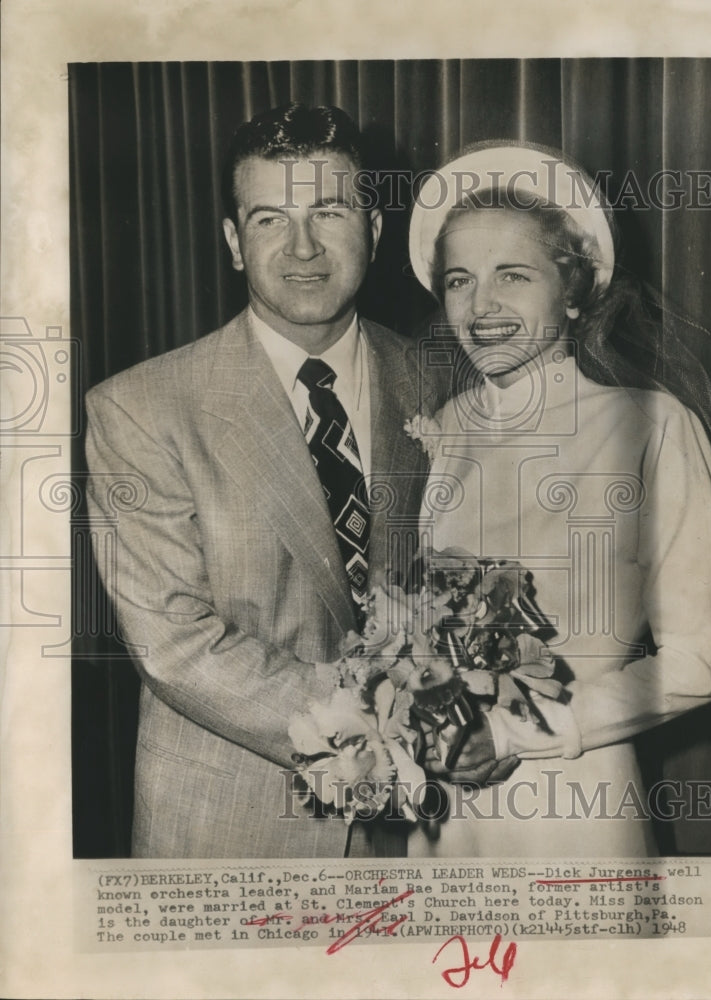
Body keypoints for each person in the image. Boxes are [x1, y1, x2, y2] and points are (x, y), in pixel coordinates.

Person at [84, 103, 433, 858]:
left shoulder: (437, 383)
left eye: (329, 211)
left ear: (374, 232)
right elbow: (176, 642)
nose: (302, 247)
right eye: (271, 219)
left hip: (423, 834)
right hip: (231, 828)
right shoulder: (142, 409)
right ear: (234, 243)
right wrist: (385, 723)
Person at [405, 143, 711, 857]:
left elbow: (704, 657)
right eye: (459, 279)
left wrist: (520, 731)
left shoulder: (650, 425)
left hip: (575, 809)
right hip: (446, 824)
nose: (482, 305)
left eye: (513, 275)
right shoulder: (449, 428)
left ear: (576, 289)